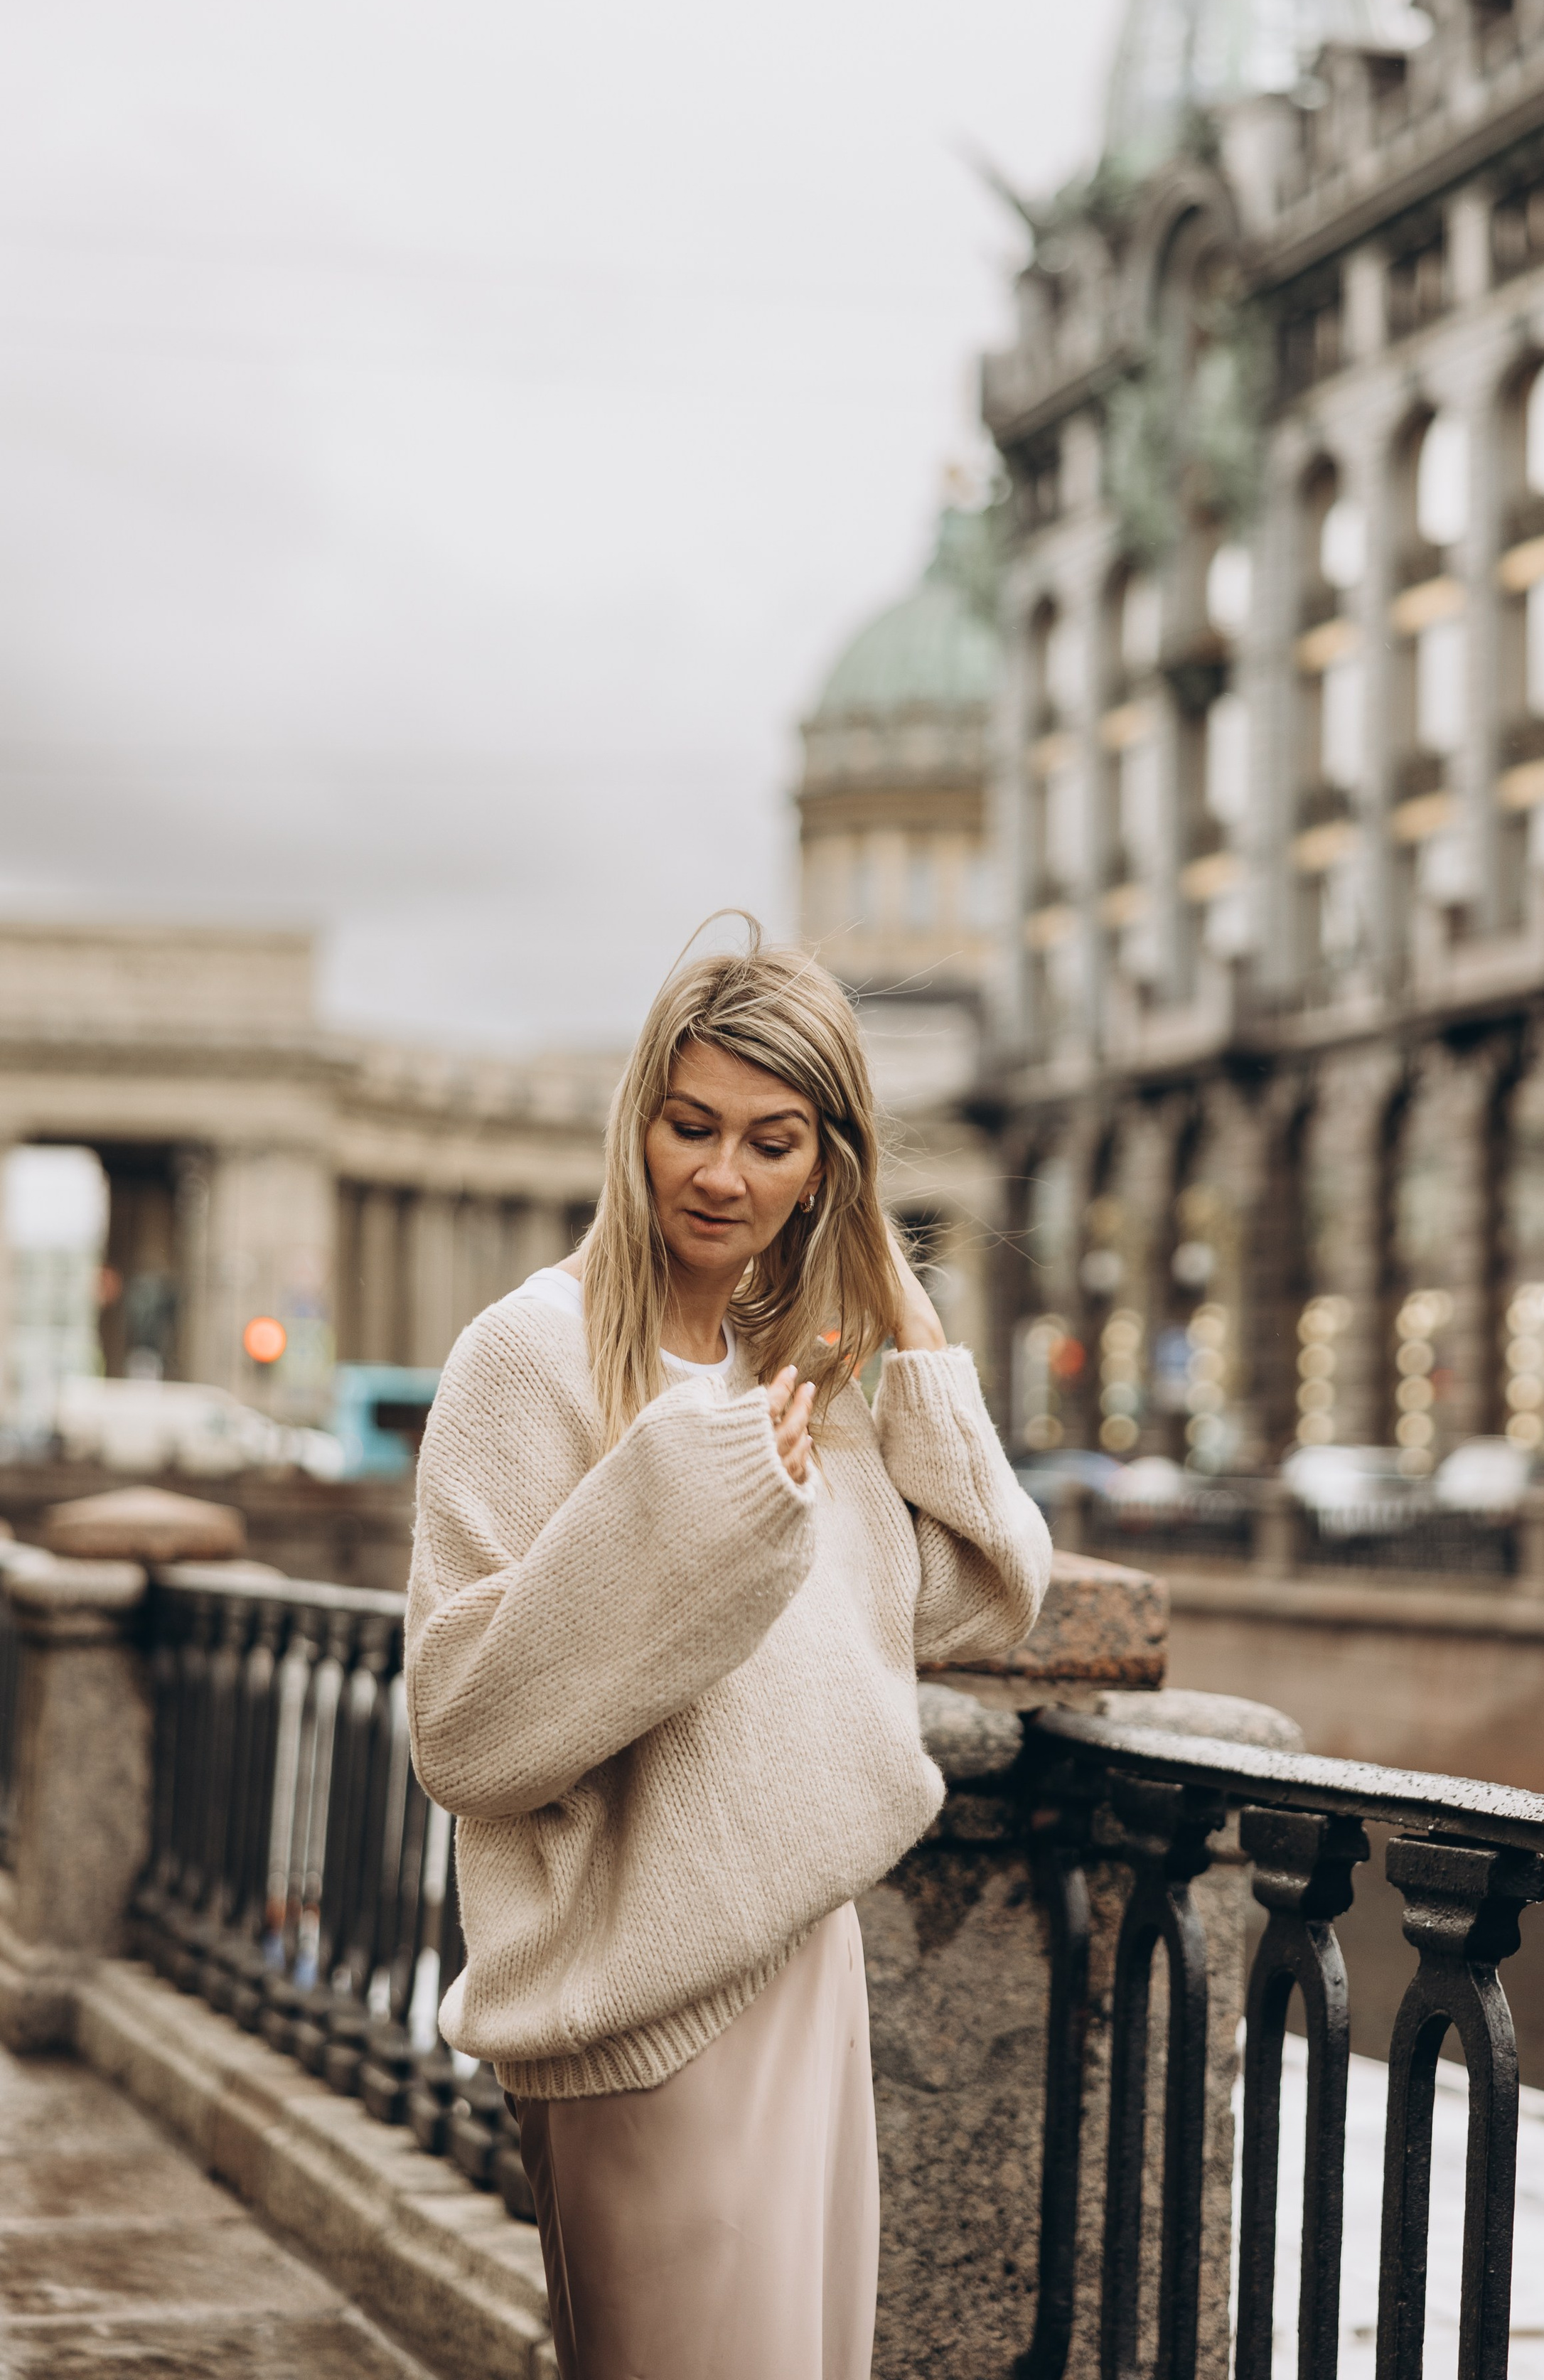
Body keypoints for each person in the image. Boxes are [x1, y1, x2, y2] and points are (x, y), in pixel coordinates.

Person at [403, 928, 1051, 2380]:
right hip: (638, 2001)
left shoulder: (800, 1380)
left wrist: (905, 1328)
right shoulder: (529, 1355)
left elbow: (982, 1590)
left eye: (773, 1142)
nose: (721, 1175)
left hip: (801, 1952)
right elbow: (461, 1726)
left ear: (826, 1166)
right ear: (636, 1119)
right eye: (689, 1126)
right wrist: (693, 1501)